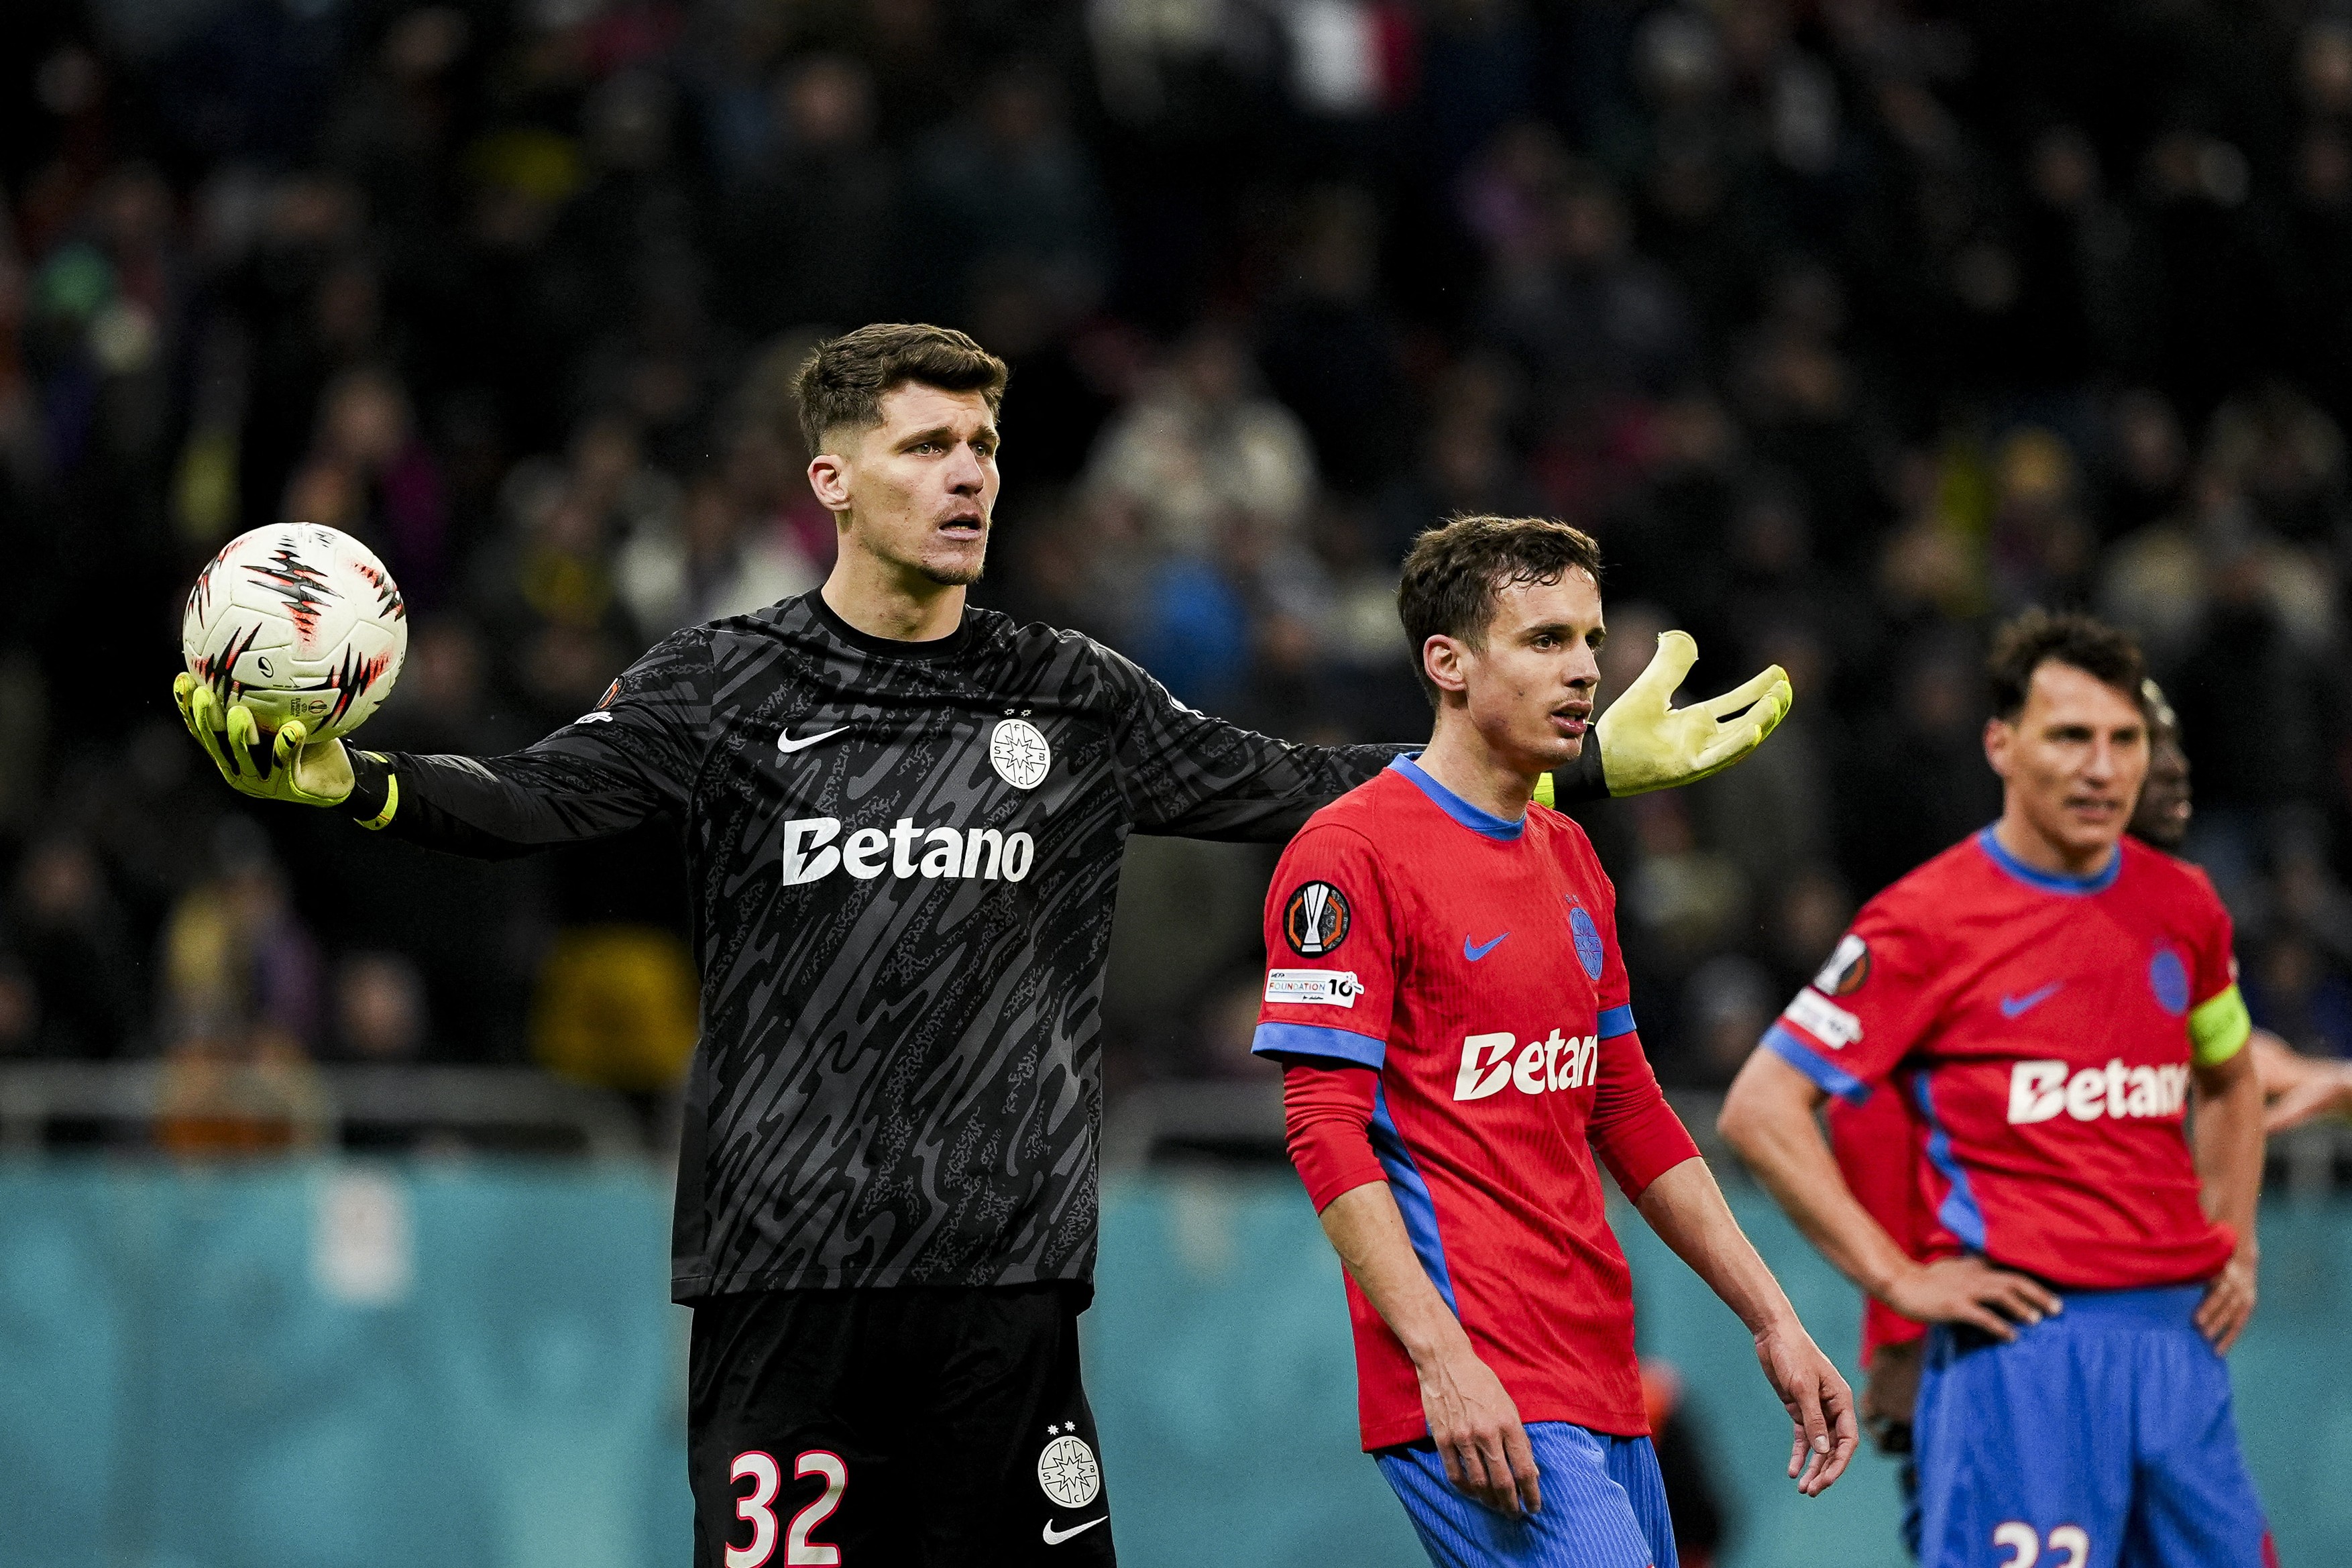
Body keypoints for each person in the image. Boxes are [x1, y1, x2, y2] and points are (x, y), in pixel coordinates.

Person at [171, 325, 1793, 1567]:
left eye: (984, 447)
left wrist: (1572, 760)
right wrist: (350, 782)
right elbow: (533, 796)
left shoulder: (1069, 693)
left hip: (1004, 1294)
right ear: (831, 480)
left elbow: (1302, 782)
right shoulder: (725, 684)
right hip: (784, 1281)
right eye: (928, 445)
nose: (969, 476)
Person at [1253, 514, 1854, 1568]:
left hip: (1601, 1374)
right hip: (1479, 1379)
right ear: (1448, 662)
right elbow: (1323, 1128)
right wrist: (1442, 1359)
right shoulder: (1350, 852)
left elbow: (1629, 1109)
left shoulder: (1571, 853)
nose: (1585, 669)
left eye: (1589, 639)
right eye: (1545, 640)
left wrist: (1773, 1317)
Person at [1718, 610, 2274, 1568]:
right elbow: (1761, 1108)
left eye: (2125, 739)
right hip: (2021, 1350)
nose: (2102, 768)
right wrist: (1897, 1281)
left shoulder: (2186, 907)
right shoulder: (1925, 920)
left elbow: (2230, 1076)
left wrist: (2238, 1237)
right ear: (2001, 745)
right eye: (2071, 736)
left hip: (2176, 1346)